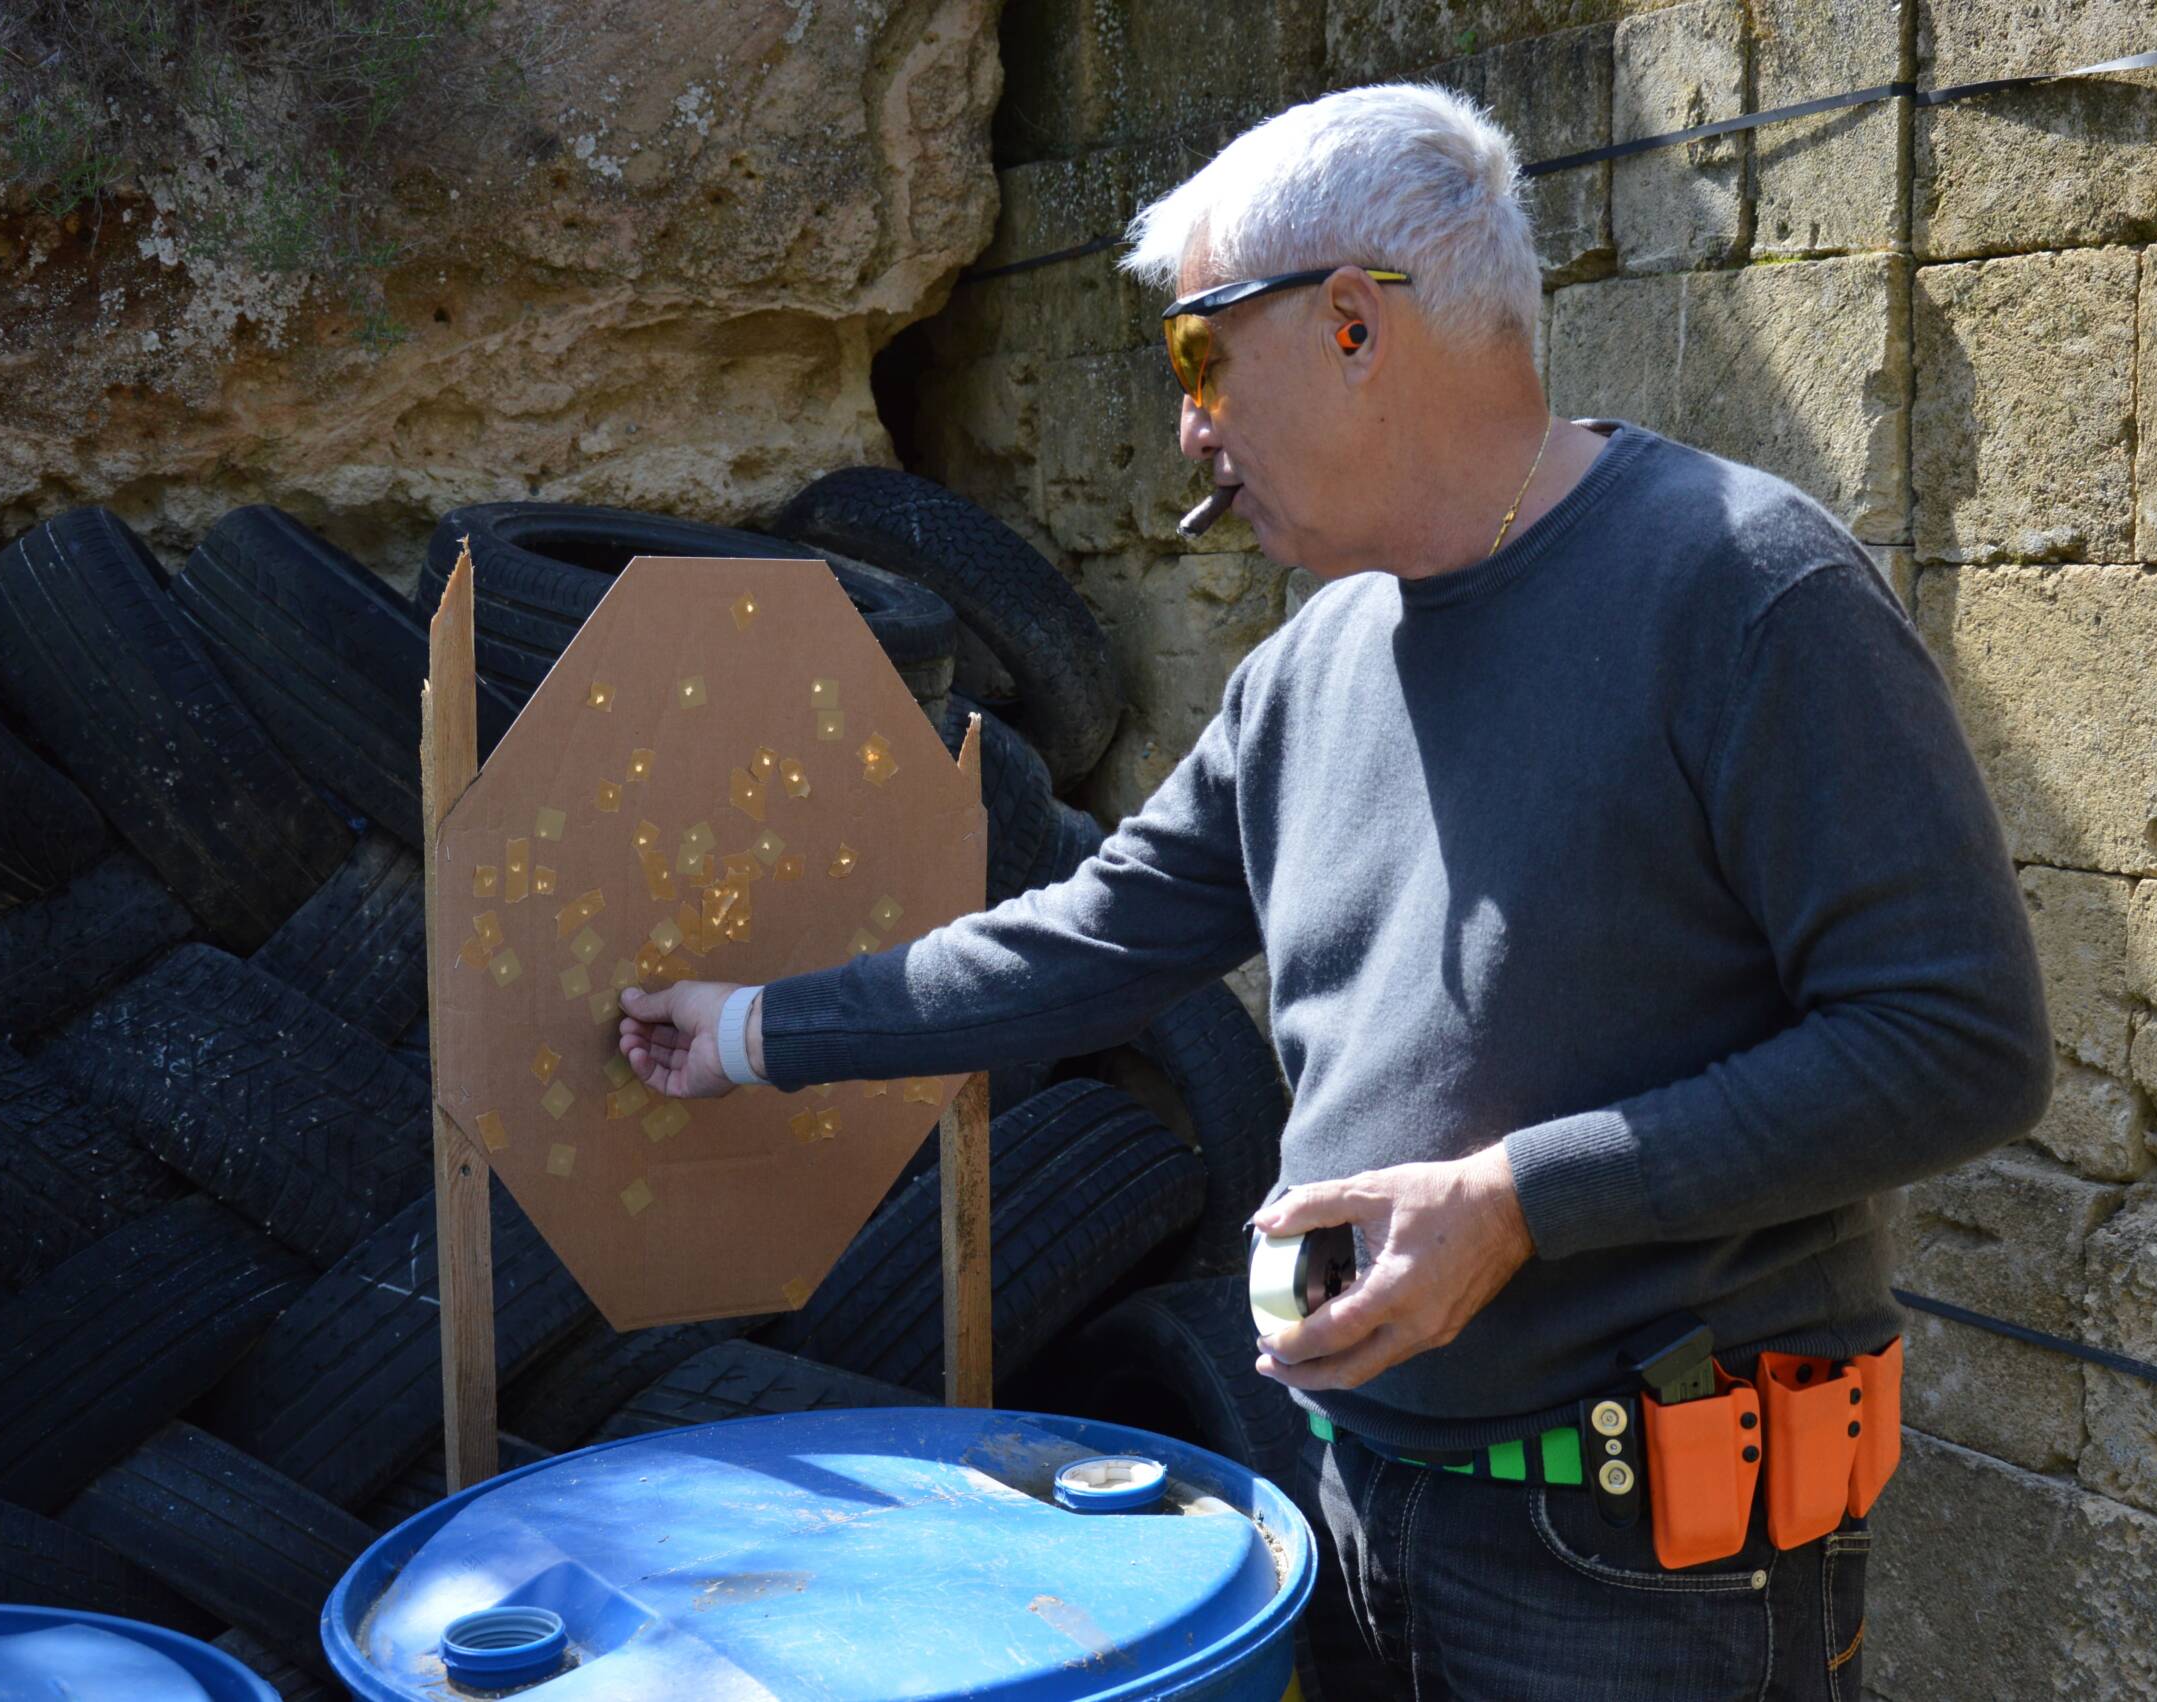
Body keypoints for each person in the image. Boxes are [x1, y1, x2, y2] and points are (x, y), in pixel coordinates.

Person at [613, 81, 2051, 1700]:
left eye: (1199, 356)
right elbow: (1088, 941)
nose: (1189, 428)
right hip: (1350, 1514)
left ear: (1353, 324)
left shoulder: (1747, 588)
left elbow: (1962, 1042)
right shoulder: (1306, 671)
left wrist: (1518, 1200)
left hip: (1648, 1574)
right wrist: (749, 1031)